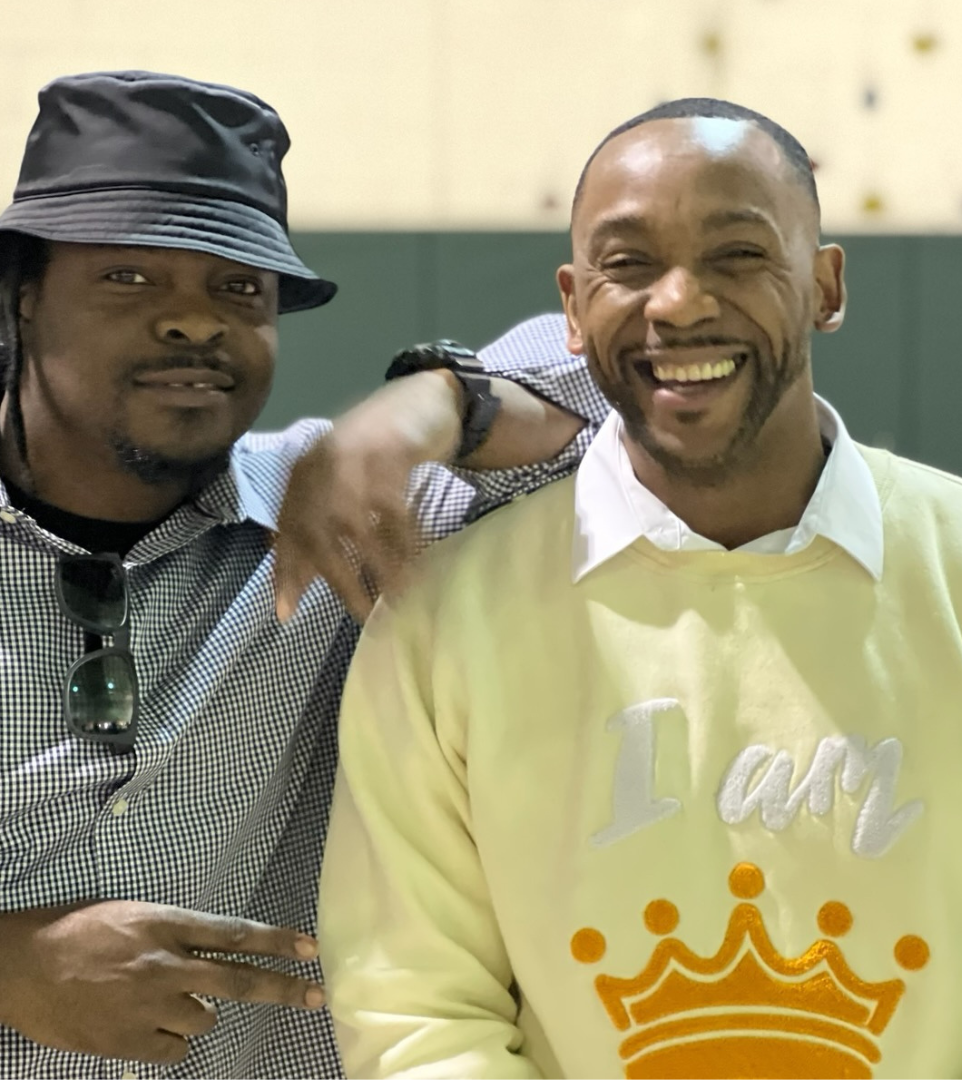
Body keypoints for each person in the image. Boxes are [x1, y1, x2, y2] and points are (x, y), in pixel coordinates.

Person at [0, 71, 606, 1079]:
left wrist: (434, 402)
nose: (195, 320)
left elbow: (635, 388)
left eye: (239, 287)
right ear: (21, 294)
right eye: (130, 277)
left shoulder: (341, 517)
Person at [319, 98, 962, 1080]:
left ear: (826, 285)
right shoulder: (442, 617)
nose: (679, 302)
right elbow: (414, 1005)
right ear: (572, 308)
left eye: (738, 255)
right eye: (628, 266)